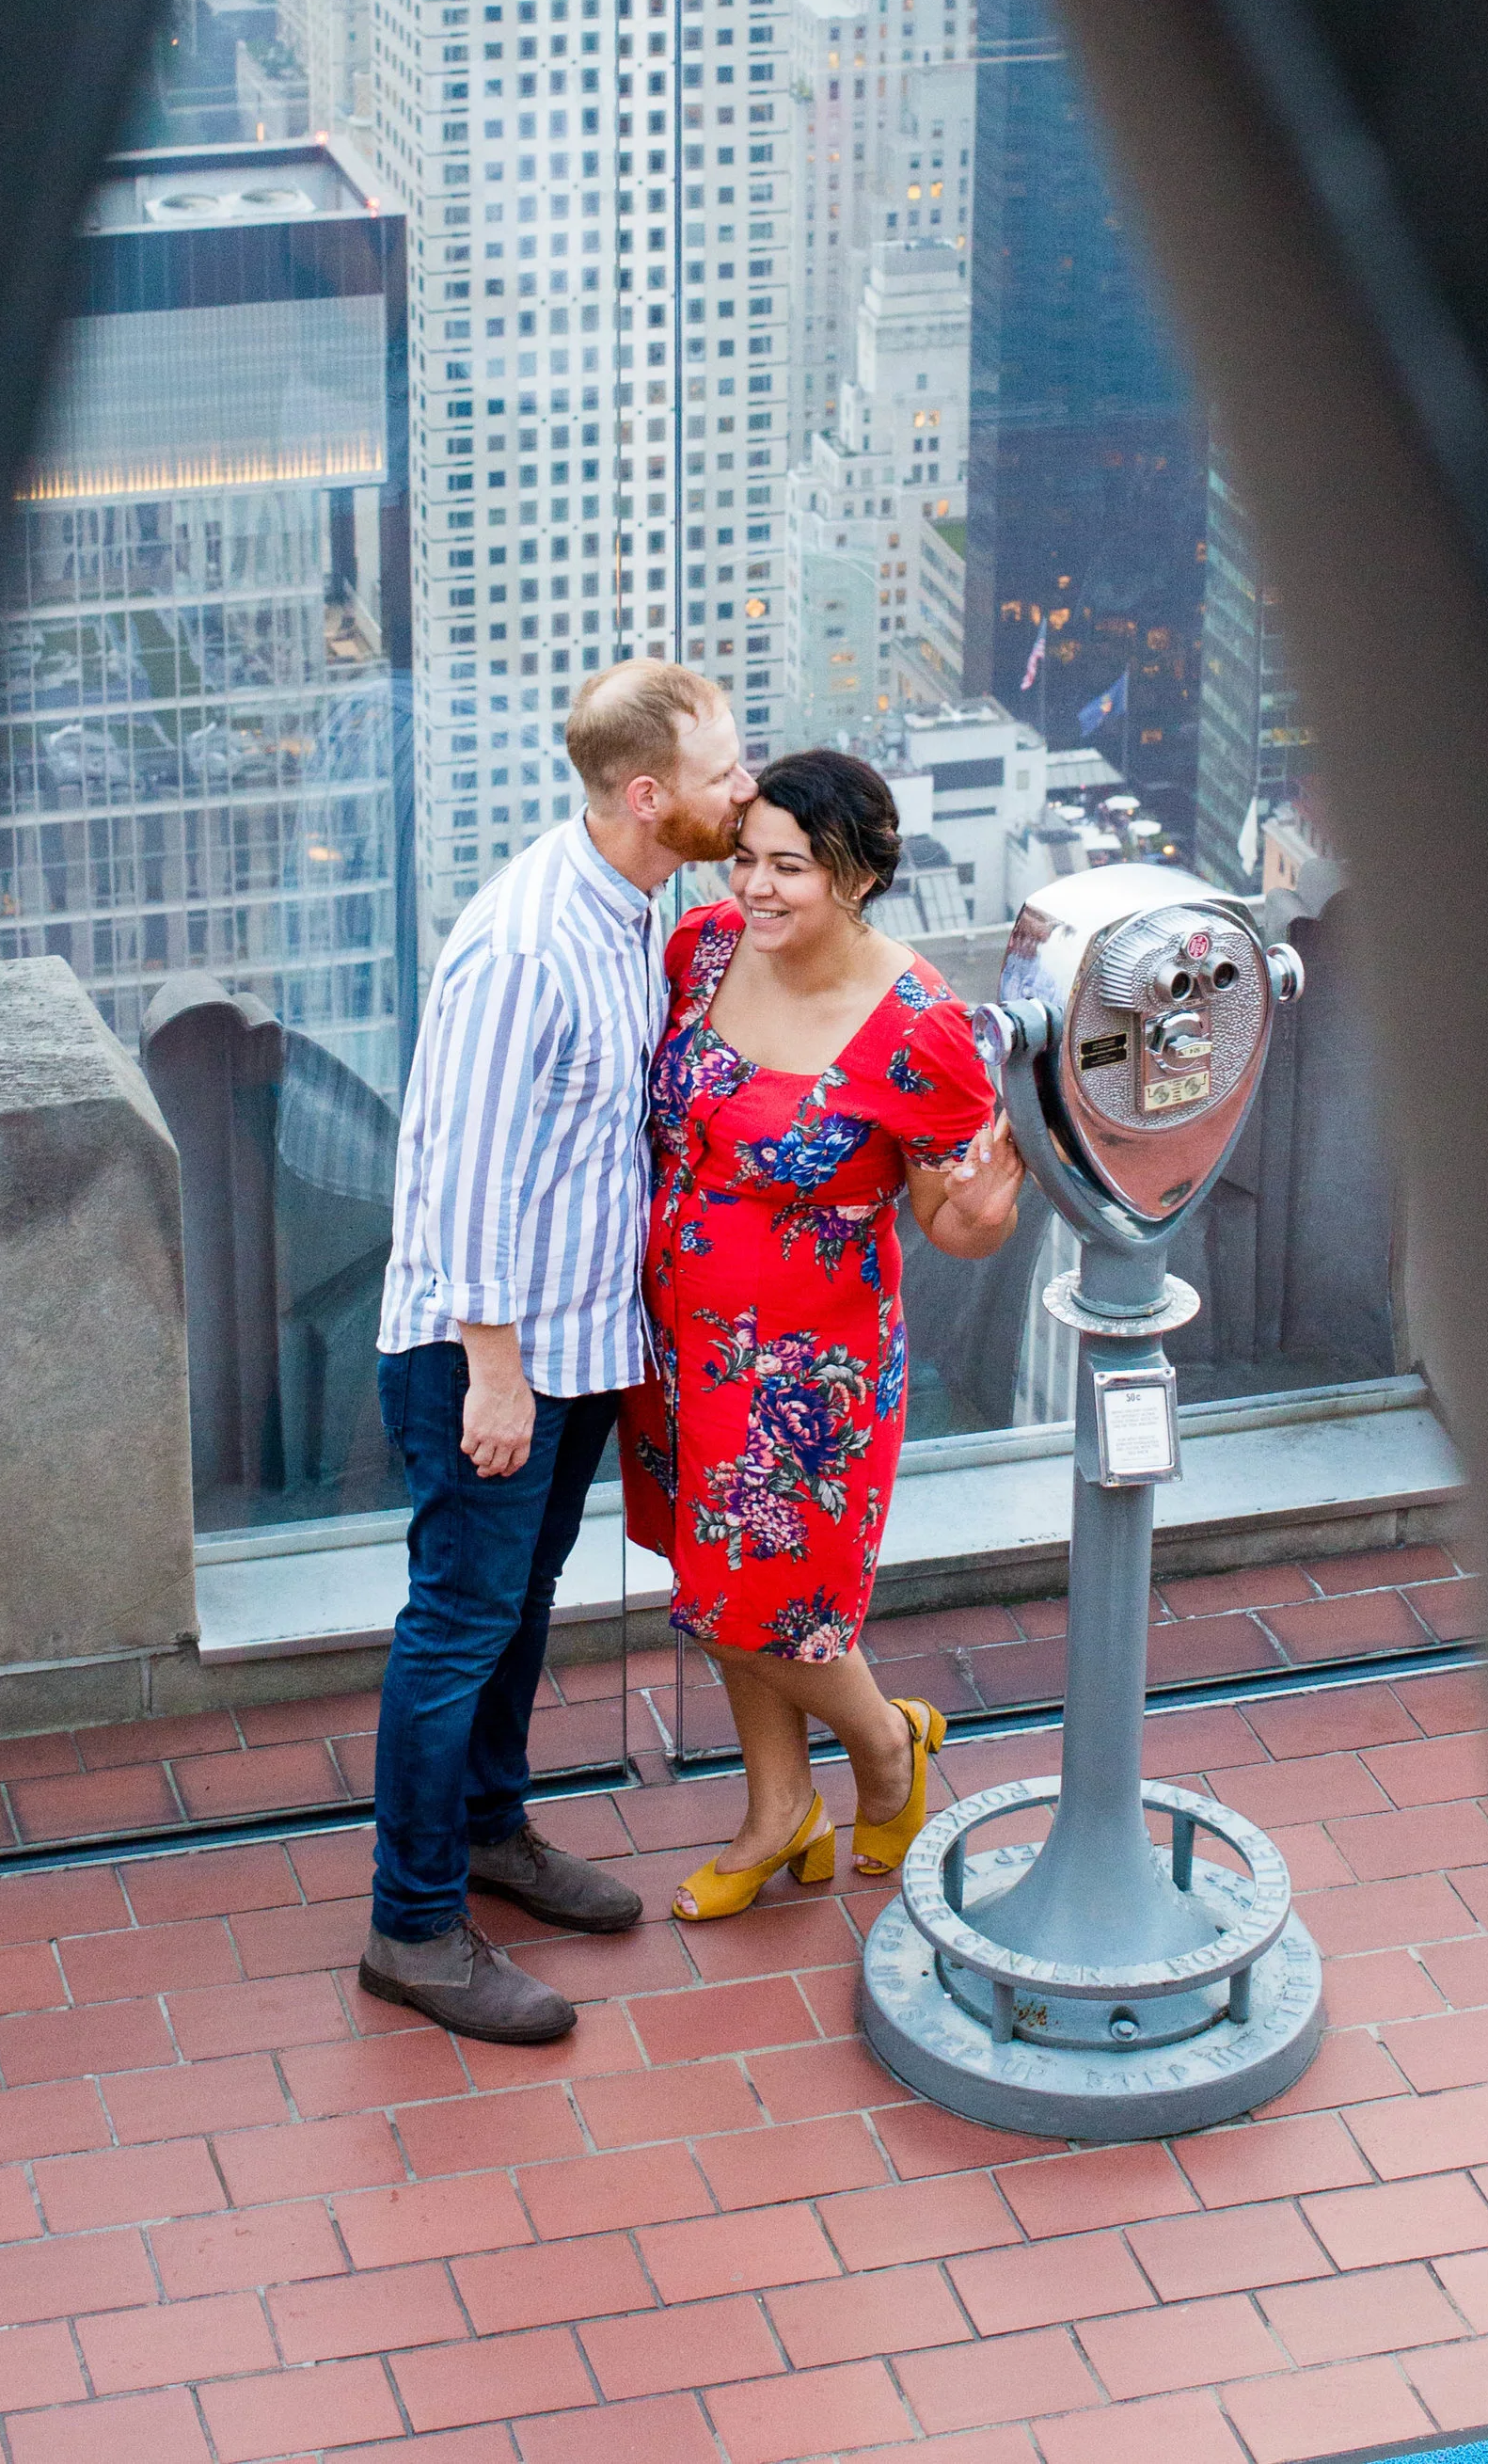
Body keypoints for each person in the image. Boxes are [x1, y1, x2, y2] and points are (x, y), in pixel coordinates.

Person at [364, 661, 756, 2043]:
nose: (744, 789)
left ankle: (489, 1833)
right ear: (649, 794)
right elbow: (458, 1176)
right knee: (459, 1623)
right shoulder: (528, 939)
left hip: (583, 1345)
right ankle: (411, 1928)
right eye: (724, 773)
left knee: (520, 1604)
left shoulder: (633, 908)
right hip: (493, 1353)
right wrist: (493, 1372)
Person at [620, 749, 1025, 1921]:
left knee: (775, 1607)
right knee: (717, 1592)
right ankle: (779, 1810)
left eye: (787, 867)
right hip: (680, 1343)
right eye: (745, 858)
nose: (753, 887)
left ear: (854, 876)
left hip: (810, 1370)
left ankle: (888, 1748)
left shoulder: (923, 1029)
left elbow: (958, 1224)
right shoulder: (698, 953)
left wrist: (984, 1211)